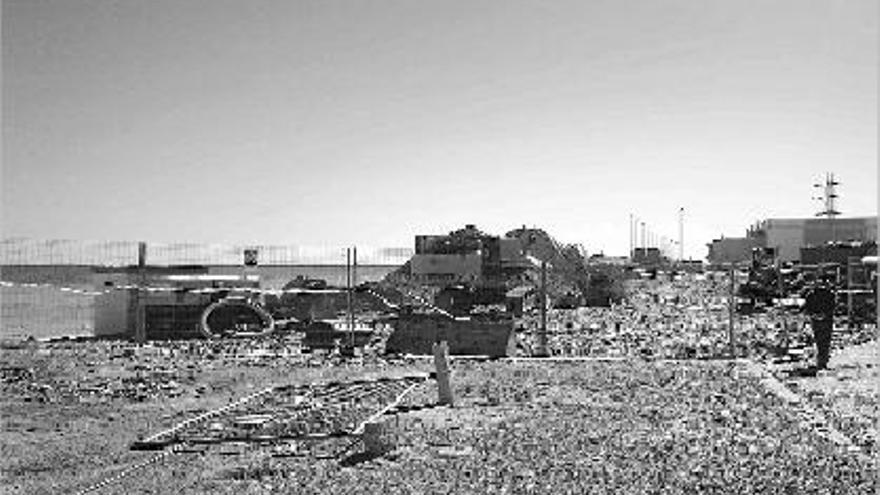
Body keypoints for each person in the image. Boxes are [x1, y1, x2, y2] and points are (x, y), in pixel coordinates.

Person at [803, 283, 835, 370]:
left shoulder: (811, 295)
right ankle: (822, 361)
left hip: (817, 321)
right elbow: (833, 307)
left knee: (819, 340)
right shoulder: (830, 294)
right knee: (825, 342)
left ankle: (821, 361)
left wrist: (814, 315)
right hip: (826, 320)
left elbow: (807, 308)